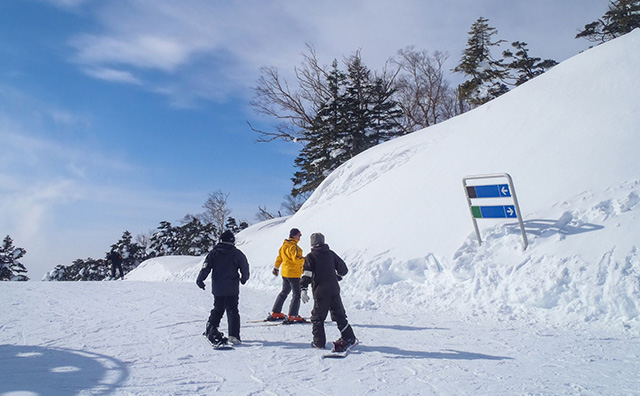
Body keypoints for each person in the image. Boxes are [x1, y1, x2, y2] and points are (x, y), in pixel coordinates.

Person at [300, 232, 357, 351]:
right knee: (339, 315)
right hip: (334, 290)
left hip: (321, 292)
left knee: (317, 318)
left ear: (312, 244)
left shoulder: (311, 256)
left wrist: (303, 288)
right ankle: (349, 337)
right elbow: (343, 269)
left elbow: (307, 274)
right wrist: (337, 276)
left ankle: (319, 343)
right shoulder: (331, 254)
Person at [196, 230, 250, 346]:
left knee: (218, 308)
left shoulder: (214, 253)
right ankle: (234, 335)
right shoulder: (237, 253)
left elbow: (206, 267)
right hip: (232, 287)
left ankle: (211, 329)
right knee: (232, 310)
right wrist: (244, 278)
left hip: (218, 287)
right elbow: (244, 266)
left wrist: (200, 279)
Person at [266, 228, 306, 323]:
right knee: (296, 295)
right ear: (294, 235)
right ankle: (293, 314)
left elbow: (279, 257)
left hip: (285, 273)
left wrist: (276, 267)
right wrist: (306, 260)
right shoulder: (294, 247)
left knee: (284, 292)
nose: (300, 237)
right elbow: (296, 259)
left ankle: (276, 312)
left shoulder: (284, 245)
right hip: (294, 274)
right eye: (299, 235)